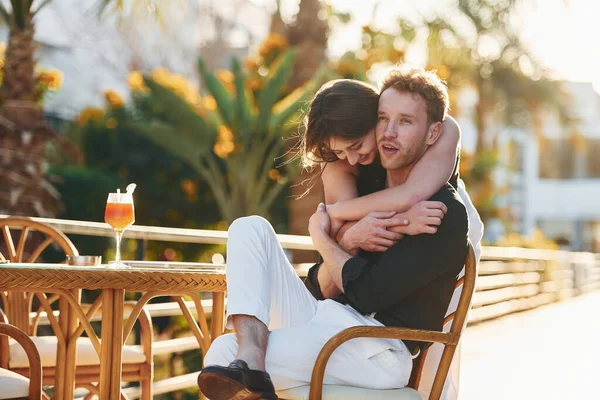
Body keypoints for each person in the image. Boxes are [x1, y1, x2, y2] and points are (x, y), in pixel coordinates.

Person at [197, 65, 472, 400]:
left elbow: (368, 294)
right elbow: (321, 287)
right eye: (383, 119)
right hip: (329, 319)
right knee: (248, 227)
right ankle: (252, 359)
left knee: (224, 353)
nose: (389, 132)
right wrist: (352, 238)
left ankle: (252, 364)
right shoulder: (362, 184)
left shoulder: (440, 212)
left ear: (432, 134)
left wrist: (322, 238)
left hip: (378, 348)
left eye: (405, 122)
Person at [303, 76, 484, 399]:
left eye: (357, 146)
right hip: (395, 216)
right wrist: (338, 225)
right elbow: (345, 239)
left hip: (442, 219)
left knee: (436, 350)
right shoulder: (341, 161)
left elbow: (413, 194)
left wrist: (336, 214)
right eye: (340, 152)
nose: (350, 158)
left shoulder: (441, 129)